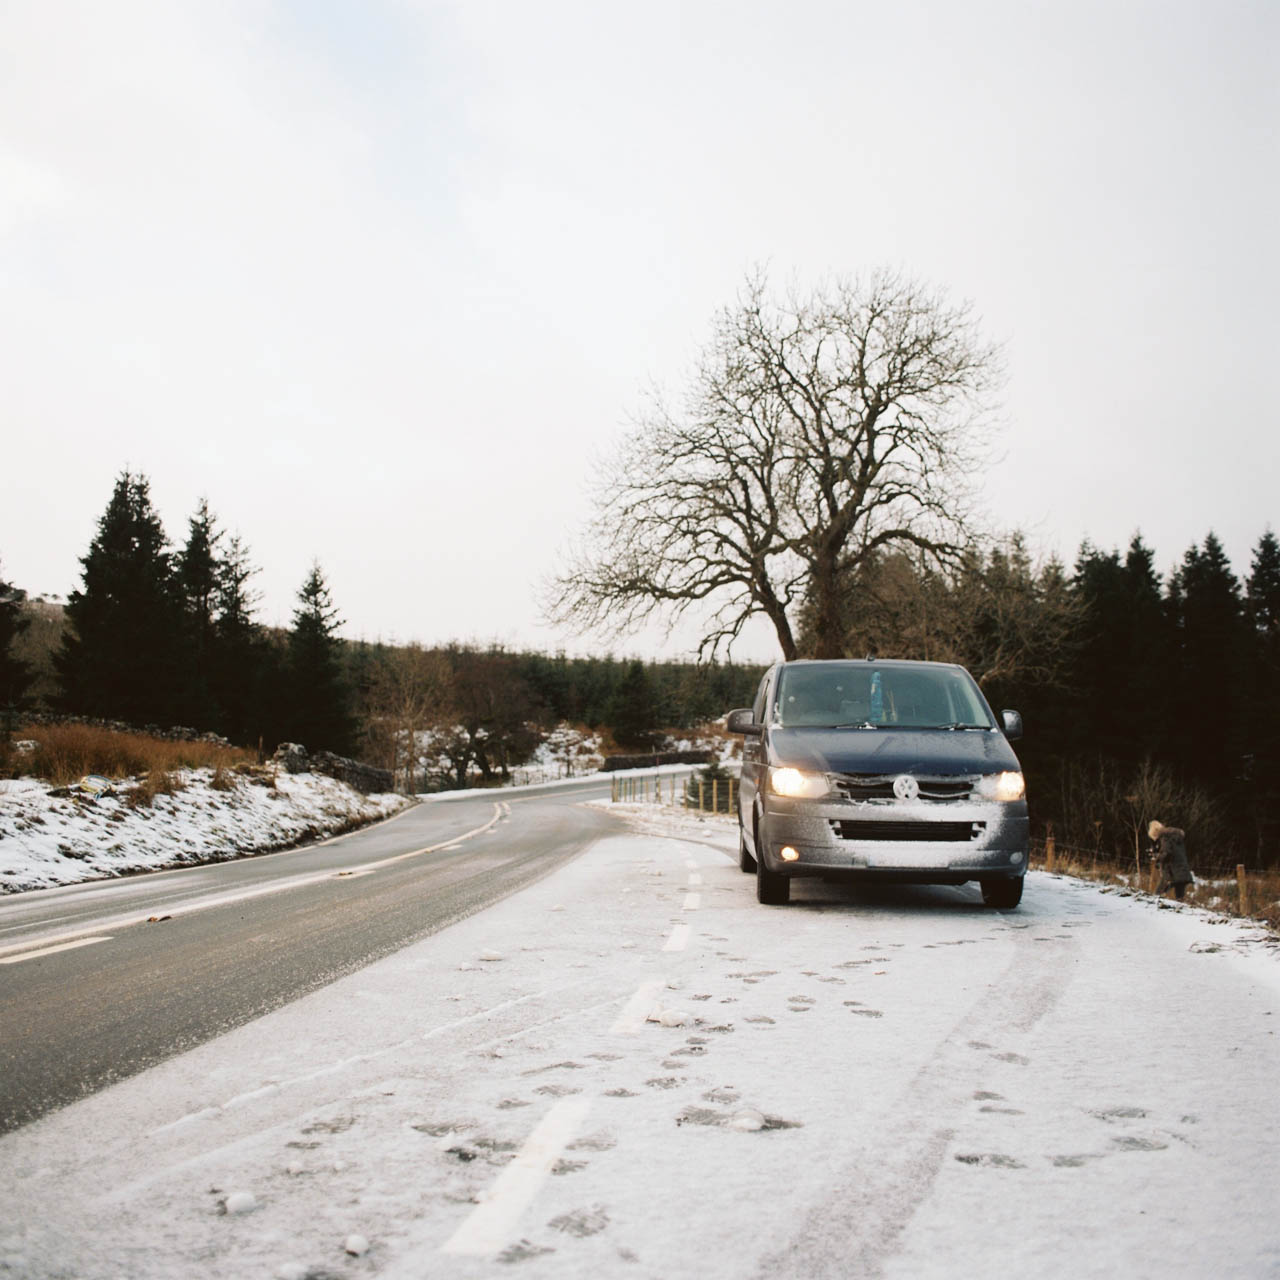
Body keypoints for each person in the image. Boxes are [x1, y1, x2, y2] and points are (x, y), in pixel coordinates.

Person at [1148, 820, 1194, 900]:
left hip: (1172, 873)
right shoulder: (1175, 837)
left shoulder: (1165, 838)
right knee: (1180, 897)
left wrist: (1156, 856)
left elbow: (1166, 854)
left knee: (1157, 895)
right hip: (1181, 870)